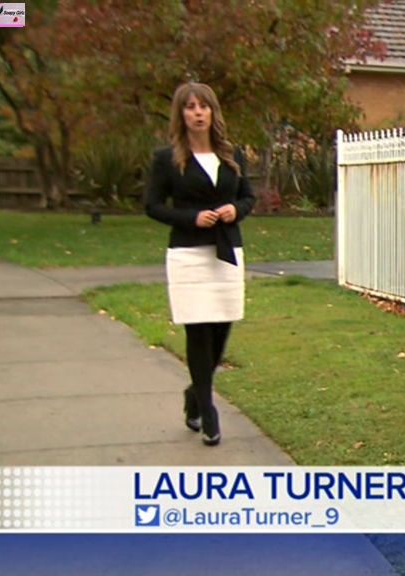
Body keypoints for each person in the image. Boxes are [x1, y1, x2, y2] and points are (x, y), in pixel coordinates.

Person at [144, 82, 256, 446]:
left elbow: (248, 196)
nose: (197, 112)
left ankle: (194, 393)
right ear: (181, 114)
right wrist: (191, 217)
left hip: (226, 253)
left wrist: (236, 209)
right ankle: (208, 412)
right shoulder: (167, 159)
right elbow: (152, 205)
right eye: (190, 107)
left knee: (220, 334)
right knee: (198, 333)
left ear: (212, 112)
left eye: (203, 106)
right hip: (189, 254)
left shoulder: (232, 155)